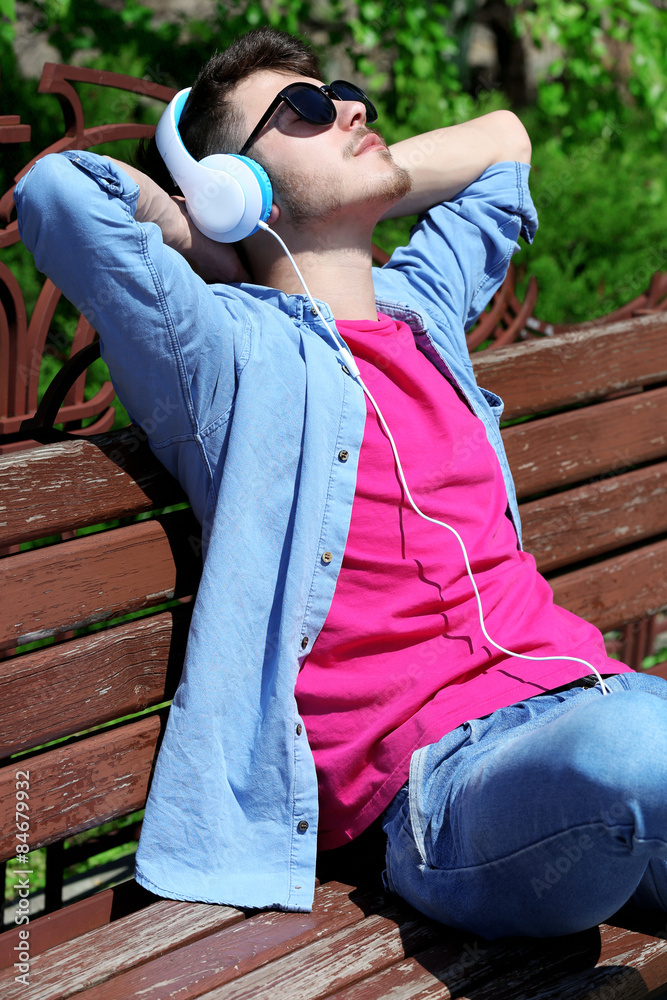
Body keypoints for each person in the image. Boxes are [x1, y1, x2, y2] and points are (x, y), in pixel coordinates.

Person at [14, 27, 667, 941]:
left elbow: (506, 140)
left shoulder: (422, 309)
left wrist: (357, 164)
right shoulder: (227, 353)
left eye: (346, 92)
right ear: (231, 183)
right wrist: (195, 223)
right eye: (306, 110)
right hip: (450, 787)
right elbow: (55, 193)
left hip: (594, 696)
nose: (353, 109)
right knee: (636, 755)